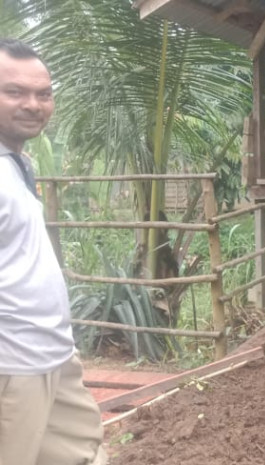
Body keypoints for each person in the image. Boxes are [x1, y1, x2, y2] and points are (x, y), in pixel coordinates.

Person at [0, 38, 108, 465]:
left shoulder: (14, 163)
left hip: (53, 356)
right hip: (11, 368)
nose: (33, 104)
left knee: (85, 454)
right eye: (14, 92)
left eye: (43, 94)